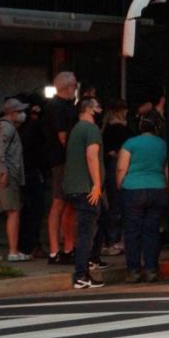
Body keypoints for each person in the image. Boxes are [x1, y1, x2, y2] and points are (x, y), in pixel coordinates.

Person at [117, 111, 169, 283]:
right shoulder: (162, 144)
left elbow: (121, 168)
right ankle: (151, 270)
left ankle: (133, 271)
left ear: (140, 126)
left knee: (132, 232)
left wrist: (120, 184)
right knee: (152, 231)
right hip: (157, 187)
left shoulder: (130, 143)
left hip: (133, 188)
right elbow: (165, 169)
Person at [62, 98, 106, 289]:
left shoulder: (76, 130)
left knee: (86, 229)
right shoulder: (91, 130)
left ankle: (84, 271)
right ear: (89, 110)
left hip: (73, 187)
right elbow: (91, 155)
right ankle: (81, 274)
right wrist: (96, 185)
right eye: (97, 107)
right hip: (86, 188)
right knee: (86, 232)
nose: (100, 109)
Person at [0, 97, 31, 262]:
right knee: (13, 211)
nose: (22, 114)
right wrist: (5, 171)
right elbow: (1, 151)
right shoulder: (8, 128)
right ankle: (13, 251)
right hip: (5, 172)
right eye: (20, 111)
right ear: (12, 113)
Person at [45, 71, 78, 265]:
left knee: (68, 203)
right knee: (59, 202)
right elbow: (63, 137)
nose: (75, 87)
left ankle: (67, 247)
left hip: (64, 160)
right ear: (68, 86)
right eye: (74, 84)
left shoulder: (65, 106)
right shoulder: (57, 107)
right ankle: (55, 249)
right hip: (62, 160)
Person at [99, 99, 131, 256]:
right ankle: (113, 240)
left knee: (114, 203)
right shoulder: (118, 128)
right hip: (117, 164)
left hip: (112, 164)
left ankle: (111, 239)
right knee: (117, 204)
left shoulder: (107, 128)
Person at [18, 98, 49, 258]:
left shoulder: (21, 129)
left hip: (26, 172)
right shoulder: (34, 129)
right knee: (34, 210)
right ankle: (30, 245)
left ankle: (27, 245)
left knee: (28, 211)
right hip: (33, 172)